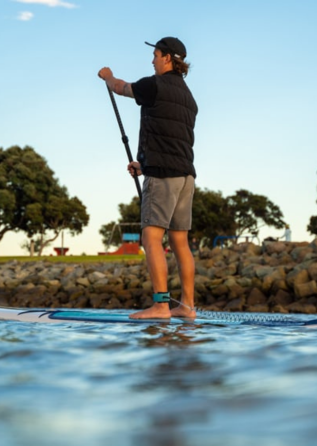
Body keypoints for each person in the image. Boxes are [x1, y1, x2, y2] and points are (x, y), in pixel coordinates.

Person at [98, 37, 198, 319]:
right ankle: (187, 307)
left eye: (155, 55)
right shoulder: (189, 98)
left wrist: (108, 76)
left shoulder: (154, 85)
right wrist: (144, 165)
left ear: (167, 58)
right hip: (186, 176)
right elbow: (173, 140)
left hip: (164, 177)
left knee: (151, 238)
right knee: (180, 243)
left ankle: (161, 306)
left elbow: (120, 88)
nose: (152, 60)